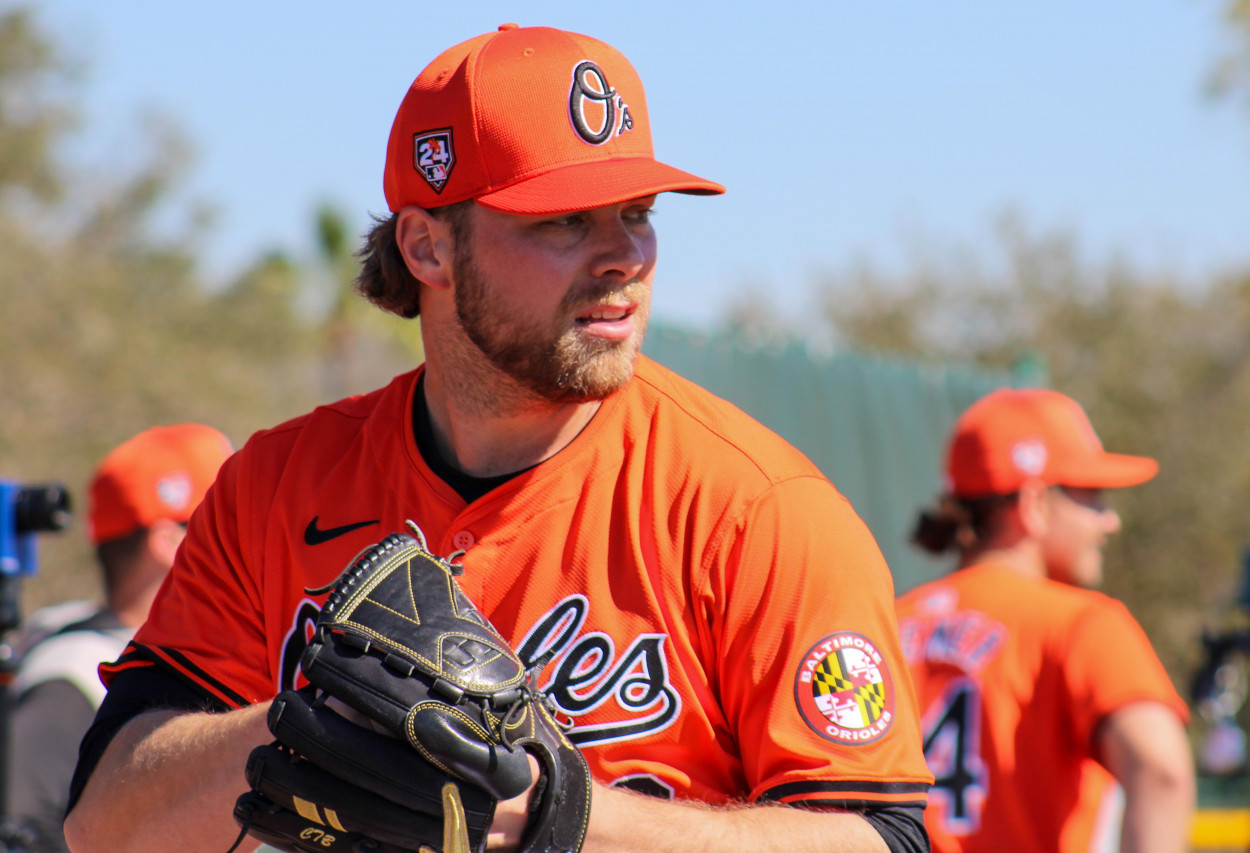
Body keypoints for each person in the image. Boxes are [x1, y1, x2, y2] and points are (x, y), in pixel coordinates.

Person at [63, 24, 933, 853]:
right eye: (566, 220)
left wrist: (563, 816)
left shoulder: (756, 510)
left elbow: (880, 836)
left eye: (637, 211)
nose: (623, 256)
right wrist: (307, 725)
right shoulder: (273, 486)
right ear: (428, 247)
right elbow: (102, 824)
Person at [895, 387, 1195, 852]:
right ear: (1034, 504)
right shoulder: (1081, 623)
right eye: (1091, 496)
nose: (1108, 520)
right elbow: (1162, 770)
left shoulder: (884, 623)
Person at [8, 423, 232, 853]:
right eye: (228, 520)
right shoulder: (71, 670)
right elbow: (27, 830)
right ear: (169, 541)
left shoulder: (179, 652)